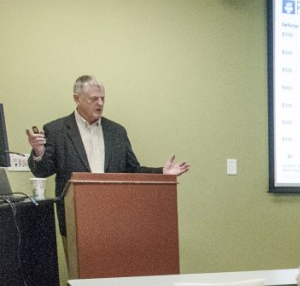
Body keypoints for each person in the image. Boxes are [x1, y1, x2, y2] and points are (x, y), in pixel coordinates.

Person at [25, 75, 190, 236]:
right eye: (94, 98)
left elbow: (132, 170)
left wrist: (163, 173)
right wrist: (39, 151)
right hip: (74, 218)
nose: (100, 103)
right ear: (77, 99)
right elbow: (42, 171)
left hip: (114, 218)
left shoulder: (117, 132)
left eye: (103, 98)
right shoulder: (56, 130)